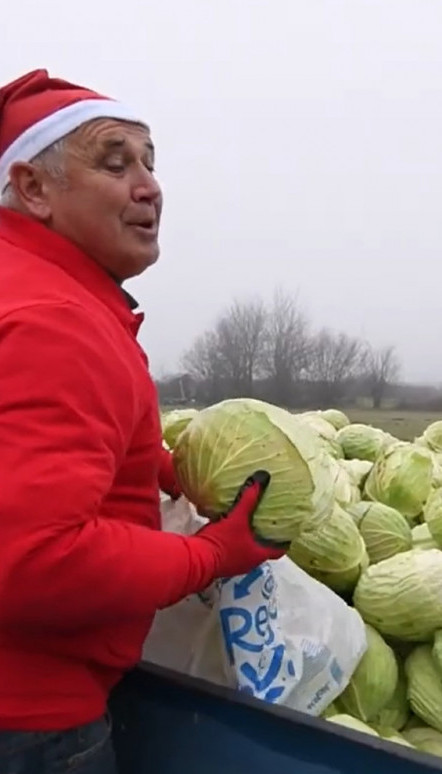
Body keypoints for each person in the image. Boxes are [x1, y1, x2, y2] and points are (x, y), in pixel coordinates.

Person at [0, 69, 286, 774]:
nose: (149, 186)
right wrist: (210, 557)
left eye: (152, 163)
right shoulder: (55, 320)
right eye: (115, 160)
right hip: (30, 722)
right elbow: (37, 561)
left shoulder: (34, 291)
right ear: (33, 188)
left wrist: (164, 465)